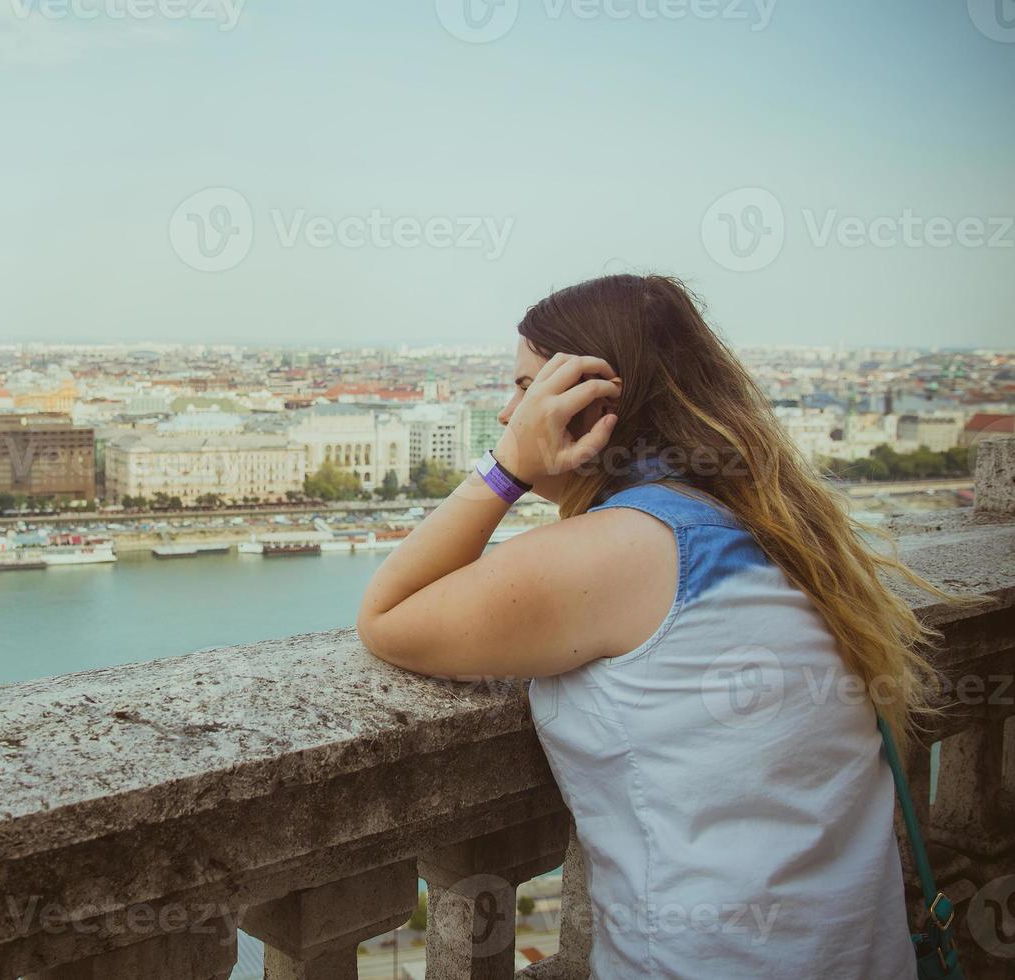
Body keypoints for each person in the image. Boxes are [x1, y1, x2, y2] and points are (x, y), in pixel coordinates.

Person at [356, 274, 942, 978]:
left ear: (593, 403)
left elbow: (388, 616)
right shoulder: (781, 531)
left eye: (524, 388)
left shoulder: (621, 551)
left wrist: (507, 467)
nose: (509, 409)